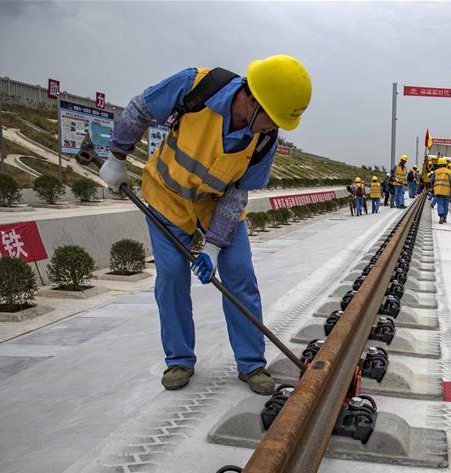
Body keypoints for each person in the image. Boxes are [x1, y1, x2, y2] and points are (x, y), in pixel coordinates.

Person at [99, 56, 311, 394]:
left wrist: (212, 246)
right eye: (271, 119)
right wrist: (117, 157)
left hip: (217, 204)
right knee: (171, 275)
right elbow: (140, 108)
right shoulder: (197, 86)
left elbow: (239, 192)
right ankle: (179, 359)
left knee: (239, 273)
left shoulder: (266, 140)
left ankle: (251, 364)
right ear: (253, 99)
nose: (273, 128)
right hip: (168, 196)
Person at [430, 157, 451, 224]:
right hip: (447, 191)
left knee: (440, 204)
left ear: (439, 164)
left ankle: (441, 216)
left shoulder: (436, 171)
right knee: (445, 205)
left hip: (438, 190)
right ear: (445, 164)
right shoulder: (450, 172)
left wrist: (433, 188)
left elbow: (431, 180)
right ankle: (445, 217)